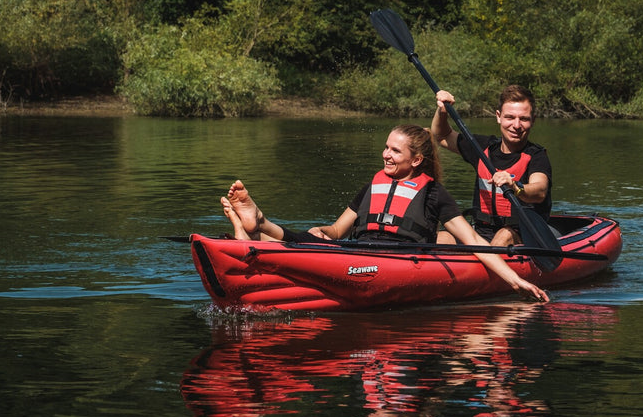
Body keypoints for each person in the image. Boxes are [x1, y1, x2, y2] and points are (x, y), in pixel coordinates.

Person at [220, 123, 549, 302]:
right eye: (386, 147)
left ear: (416, 160)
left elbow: (474, 241)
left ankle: (256, 230)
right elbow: (337, 232)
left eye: (395, 150)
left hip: (399, 260)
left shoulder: (435, 193)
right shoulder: (371, 186)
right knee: (315, 239)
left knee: (318, 248)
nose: (386, 155)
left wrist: (515, 279)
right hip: (355, 252)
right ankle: (258, 224)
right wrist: (323, 233)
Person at [431, 84, 552, 247]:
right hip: (481, 232)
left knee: (503, 236)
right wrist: (442, 110)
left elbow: (539, 190)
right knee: (441, 237)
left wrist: (515, 186)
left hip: (522, 233)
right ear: (498, 117)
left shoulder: (536, 155)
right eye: (510, 117)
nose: (516, 125)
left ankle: (485, 267)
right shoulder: (482, 147)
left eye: (523, 119)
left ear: (533, 120)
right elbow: (441, 135)